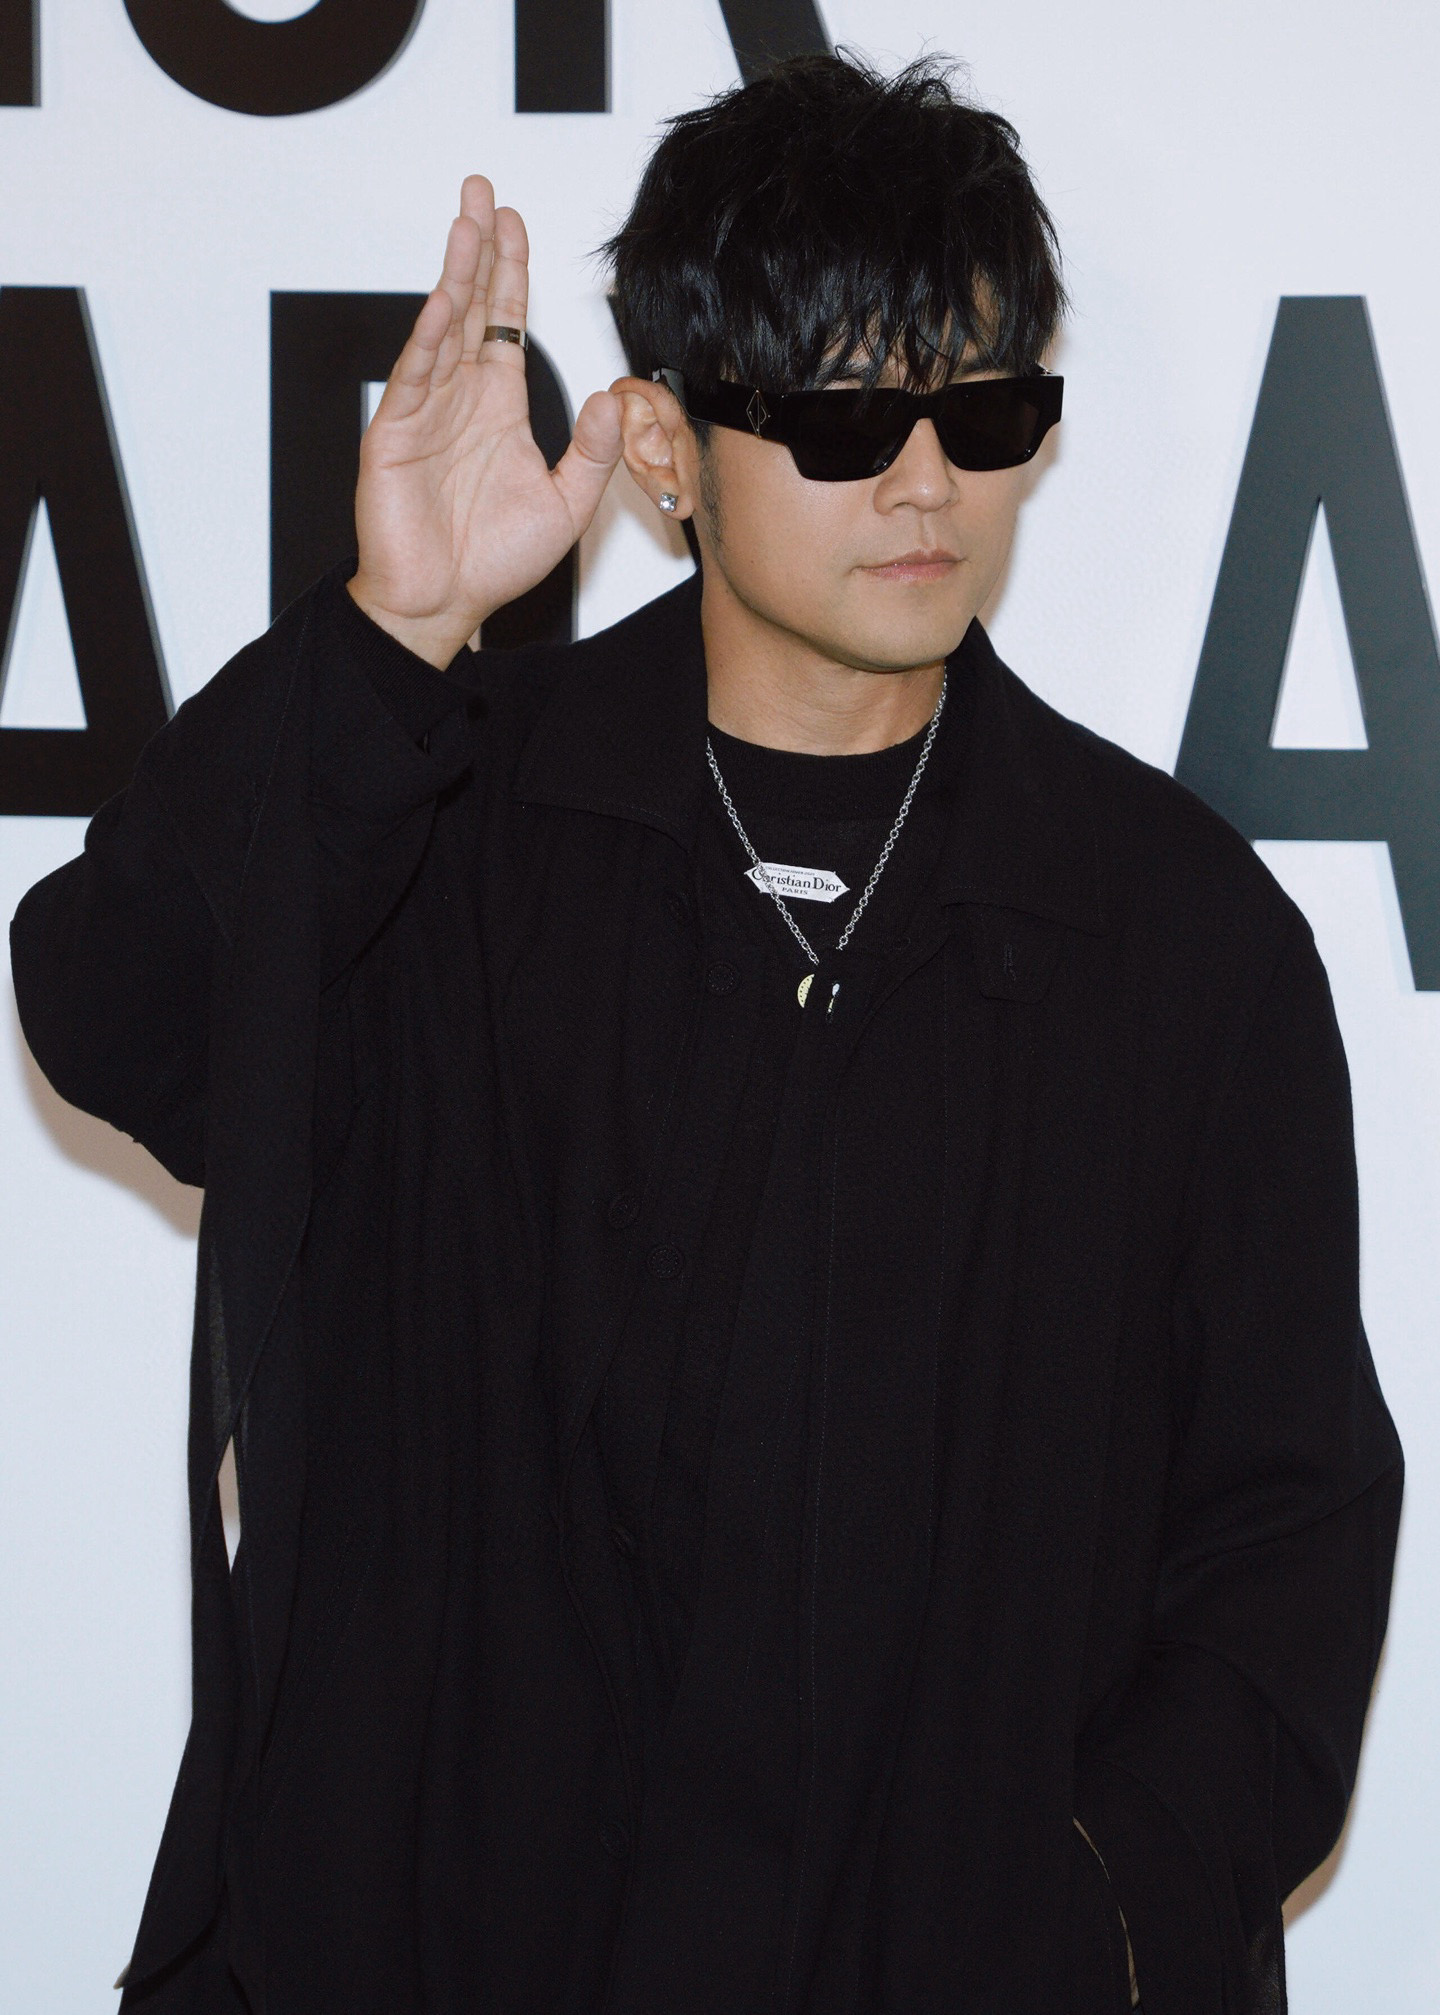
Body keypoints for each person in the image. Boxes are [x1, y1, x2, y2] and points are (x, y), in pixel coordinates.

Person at [10, 53, 1401, 2015]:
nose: (926, 484)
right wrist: (387, 644)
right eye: (845, 418)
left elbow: (1289, 1522)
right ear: (665, 446)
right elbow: (120, 1008)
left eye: (986, 408)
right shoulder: (446, 831)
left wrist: (1094, 1911)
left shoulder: (1175, 934)